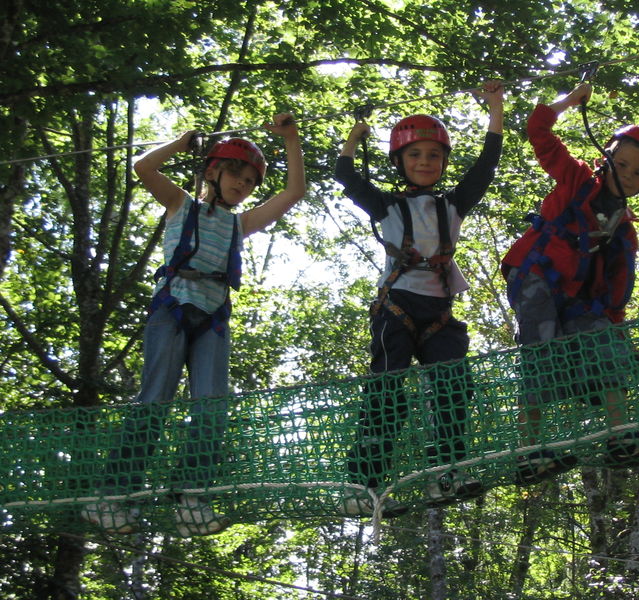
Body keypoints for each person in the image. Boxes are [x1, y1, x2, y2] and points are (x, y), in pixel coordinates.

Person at [82, 114, 305, 535]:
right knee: (155, 399)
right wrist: (180, 143)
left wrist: (291, 139)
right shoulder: (180, 204)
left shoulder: (241, 224)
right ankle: (112, 495)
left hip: (213, 317)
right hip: (172, 307)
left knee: (211, 405)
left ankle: (191, 497)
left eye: (251, 181)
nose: (243, 184)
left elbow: (295, 192)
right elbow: (143, 168)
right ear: (212, 171)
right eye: (236, 173)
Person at [334, 81, 504, 517]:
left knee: (451, 384)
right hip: (397, 306)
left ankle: (445, 470)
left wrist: (495, 109)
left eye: (433, 155)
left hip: (439, 311)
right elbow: (346, 176)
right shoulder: (387, 206)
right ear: (399, 161)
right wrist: (355, 137)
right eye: (414, 154)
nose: (424, 162)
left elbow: (486, 166)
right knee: (387, 388)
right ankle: (363, 482)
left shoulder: (454, 205)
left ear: (445, 162)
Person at [501, 82, 639, 486]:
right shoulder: (577, 180)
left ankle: (619, 435)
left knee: (602, 340)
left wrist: (614, 333)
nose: (627, 174)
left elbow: (616, 290)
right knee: (541, 348)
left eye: (638, 173)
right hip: (536, 276)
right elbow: (539, 134)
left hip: (577, 299)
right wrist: (568, 101)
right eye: (623, 162)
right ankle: (529, 449)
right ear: (606, 156)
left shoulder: (624, 232)